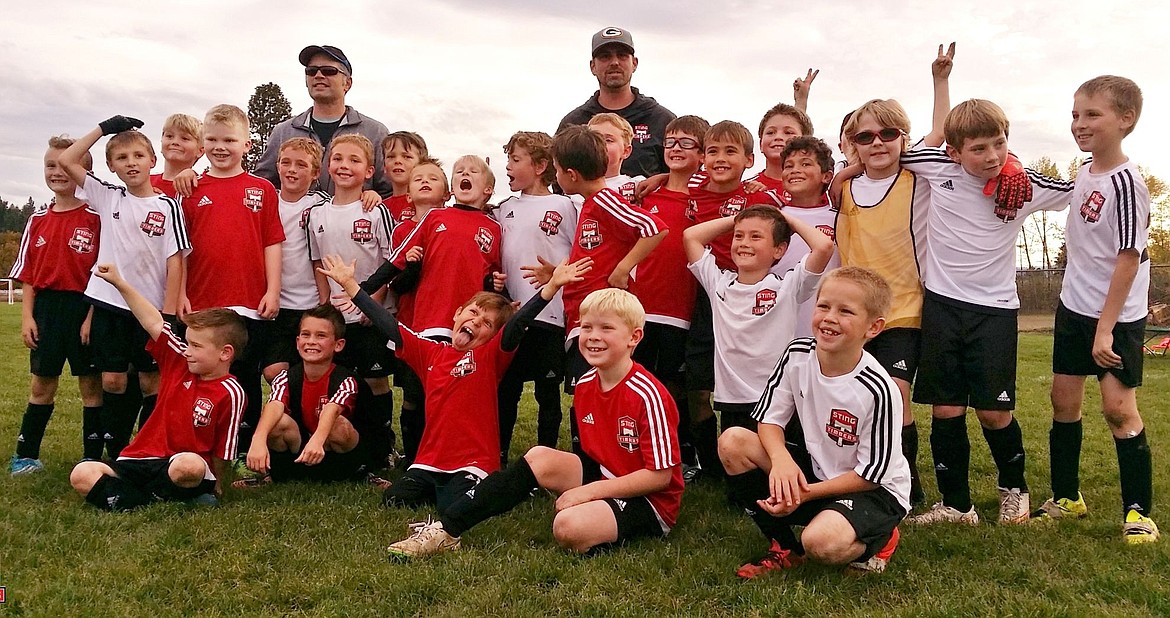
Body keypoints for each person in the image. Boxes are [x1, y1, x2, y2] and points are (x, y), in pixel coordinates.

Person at [382, 288, 683, 559]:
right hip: (606, 475)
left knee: (567, 527)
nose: (593, 336)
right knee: (539, 455)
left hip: (649, 499)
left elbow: (660, 478)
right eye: (586, 327)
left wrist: (587, 493)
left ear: (634, 338)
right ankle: (446, 530)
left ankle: (612, 522)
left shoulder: (647, 393)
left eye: (607, 328)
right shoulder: (587, 382)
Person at [316, 253, 591, 529]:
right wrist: (351, 286)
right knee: (394, 499)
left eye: (487, 324)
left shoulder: (491, 357)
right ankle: (433, 484)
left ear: (494, 335)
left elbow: (517, 325)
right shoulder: (431, 353)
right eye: (473, 312)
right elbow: (389, 325)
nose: (477, 321)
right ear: (458, 313)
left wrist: (551, 287)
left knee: (453, 507)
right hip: (429, 462)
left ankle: (494, 483)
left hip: (472, 464)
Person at [900, 100, 1073, 525]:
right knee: (946, 409)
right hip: (941, 305)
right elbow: (897, 151)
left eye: (1000, 145)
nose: (992, 156)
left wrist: (1017, 164)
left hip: (994, 311)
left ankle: (1015, 490)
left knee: (994, 411)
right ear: (954, 152)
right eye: (979, 148)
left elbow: (1077, 187)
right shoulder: (937, 167)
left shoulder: (1023, 184)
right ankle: (957, 504)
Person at [719, 267, 911, 577]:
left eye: (846, 311)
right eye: (824, 306)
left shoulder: (879, 389)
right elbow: (769, 419)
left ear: (873, 327)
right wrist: (781, 461)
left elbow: (871, 475)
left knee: (821, 543)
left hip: (873, 491)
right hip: (820, 473)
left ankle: (881, 537)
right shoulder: (797, 355)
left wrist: (804, 493)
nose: (830, 317)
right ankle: (784, 549)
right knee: (733, 442)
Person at [1032, 76, 1158, 543]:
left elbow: (1128, 260)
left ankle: (1139, 512)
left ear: (1125, 120)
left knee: (1118, 409)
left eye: (1091, 115)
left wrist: (1104, 331)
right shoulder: (1086, 171)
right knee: (1063, 402)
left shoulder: (1129, 185)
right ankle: (1067, 497)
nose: (1079, 124)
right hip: (1074, 307)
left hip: (1116, 317)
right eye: (1075, 115)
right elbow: (1058, 189)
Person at [833, 44, 954, 506]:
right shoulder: (842, 187)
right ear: (852, 145)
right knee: (857, 400)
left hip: (903, 310)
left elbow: (942, 133)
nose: (877, 143)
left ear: (902, 138)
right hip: (852, 315)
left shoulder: (916, 177)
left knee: (895, 397)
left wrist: (940, 81)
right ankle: (860, 474)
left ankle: (907, 488)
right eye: (865, 137)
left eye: (887, 133)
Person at [58, 116, 189, 460]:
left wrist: (170, 314)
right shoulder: (108, 197)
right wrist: (103, 128)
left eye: (137, 155)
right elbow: (67, 160)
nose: (131, 162)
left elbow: (176, 260)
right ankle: (115, 451)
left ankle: (147, 450)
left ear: (152, 161)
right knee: (113, 381)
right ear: (111, 167)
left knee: (151, 382)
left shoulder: (168, 206)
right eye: (121, 158)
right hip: (109, 305)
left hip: (150, 312)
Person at [69, 263, 246, 511]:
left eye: (196, 346)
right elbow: (153, 321)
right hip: (140, 460)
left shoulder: (231, 391)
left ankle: (126, 499)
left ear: (225, 353)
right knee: (81, 474)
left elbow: (224, 448)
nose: (188, 350)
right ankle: (156, 496)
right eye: (187, 343)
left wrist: (217, 485)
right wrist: (119, 282)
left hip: (181, 464)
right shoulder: (179, 360)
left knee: (189, 467)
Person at [181, 104, 285, 452]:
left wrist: (272, 290)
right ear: (202, 143)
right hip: (203, 303)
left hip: (249, 303)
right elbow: (178, 249)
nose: (220, 146)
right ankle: (198, 444)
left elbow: (272, 242)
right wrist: (180, 293)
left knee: (244, 379)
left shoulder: (262, 189)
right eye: (212, 139)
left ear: (247, 144)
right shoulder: (190, 189)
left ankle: (242, 447)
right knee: (200, 376)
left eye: (229, 139)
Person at [683, 205, 832, 432]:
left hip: (779, 398)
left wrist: (784, 219)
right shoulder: (718, 284)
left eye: (756, 237)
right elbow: (691, 236)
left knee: (781, 462)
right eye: (739, 236)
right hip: (734, 400)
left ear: (779, 250)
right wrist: (742, 218)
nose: (744, 243)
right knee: (736, 456)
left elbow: (823, 246)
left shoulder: (788, 287)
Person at [9, 136, 103, 474]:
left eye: (66, 165)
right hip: (47, 311)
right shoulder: (37, 220)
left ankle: (92, 456)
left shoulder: (97, 217)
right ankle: (25, 455)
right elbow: (29, 275)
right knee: (41, 384)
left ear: (83, 171)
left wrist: (92, 316)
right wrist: (27, 318)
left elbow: (103, 272)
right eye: (51, 165)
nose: (58, 171)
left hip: (85, 306)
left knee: (91, 386)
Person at [628, 114, 710, 480]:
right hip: (643, 307)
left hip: (682, 309)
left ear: (703, 152)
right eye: (671, 142)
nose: (675, 149)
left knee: (677, 387)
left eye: (686, 143)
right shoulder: (646, 194)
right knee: (642, 383)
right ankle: (643, 453)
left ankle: (688, 456)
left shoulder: (706, 196)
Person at [306, 134, 396, 449]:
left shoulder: (375, 210)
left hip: (369, 314)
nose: (345, 166)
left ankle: (382, 446)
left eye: (354, 160)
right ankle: (348, 445)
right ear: (328, 166)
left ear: (370, 171)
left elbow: (390, 260)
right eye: (338, 159)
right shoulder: (317, 213)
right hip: (336, 316)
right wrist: (323, 304)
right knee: (340, 381)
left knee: (375, 381)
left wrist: (374, 305)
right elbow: (316, 260)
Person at [496, 131, 577, 462]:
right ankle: (496, 455)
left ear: (542, 165)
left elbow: (578, 251)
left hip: (550, 314)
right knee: (507, 389)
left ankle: (545, 456)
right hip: (512, 314)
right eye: (508, 160)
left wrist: (558, 273)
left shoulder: (565, 205)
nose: (508, 166)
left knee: (547, 392)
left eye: (516, 160)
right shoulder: (502, 209)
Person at [241, 304, 373, 484]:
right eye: (306, 334)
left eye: (321, 336)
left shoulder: (346, 379)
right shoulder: (286, 377)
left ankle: (358, 475)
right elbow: (274, 404)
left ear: (338, 345)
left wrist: (317, 440)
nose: (311, 341)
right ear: (297, 342)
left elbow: (332, 410)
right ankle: (279, 474)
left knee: (338, 425)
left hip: (334, 451)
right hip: (302, 450)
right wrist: (258, 439)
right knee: (276, 422)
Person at [255, 45, 392, 197]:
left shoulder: (376, 132)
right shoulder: (283, 132)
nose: (318, 75)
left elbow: (391, 191)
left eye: (328, 71)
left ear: (347, 83)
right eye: (311, 71)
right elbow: (262, 185)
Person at [558, 27, 675, 178]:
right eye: (605, 57)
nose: (614, 62)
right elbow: (559, 179)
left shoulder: (662, 120)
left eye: (622, 56)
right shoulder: (573, 123)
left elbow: (681, 178)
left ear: (634, 63)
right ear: (592, 66)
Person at [263, 138, 329, 386]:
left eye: (301, 165)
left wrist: (371, 194)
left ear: (315, 173)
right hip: (274, 302)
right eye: (286, 162)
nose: (291, 169)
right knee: (273, 371)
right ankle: (286, 417)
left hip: (309, 302)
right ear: (277, 165)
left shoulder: (321, 204)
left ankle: (306, 420)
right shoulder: (266, 199)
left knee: (312, 370)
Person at [587, 113, 645, 202]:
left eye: (608, 140)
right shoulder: (575, 189)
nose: (600, 145)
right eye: (594, 139)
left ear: (626, 151)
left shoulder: (638, 185)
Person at [150, 114, 203, 199]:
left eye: (185, 138)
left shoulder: (200, 186)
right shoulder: (145, 183)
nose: (175, 142)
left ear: (200, 151)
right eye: (169, 136)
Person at [381, 131, 429, 223]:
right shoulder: (379, 207)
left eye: (407, 157)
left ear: (422, 164)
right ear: (384, 167)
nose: (398, 161)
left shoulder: (429, 202)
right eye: (391, 156)